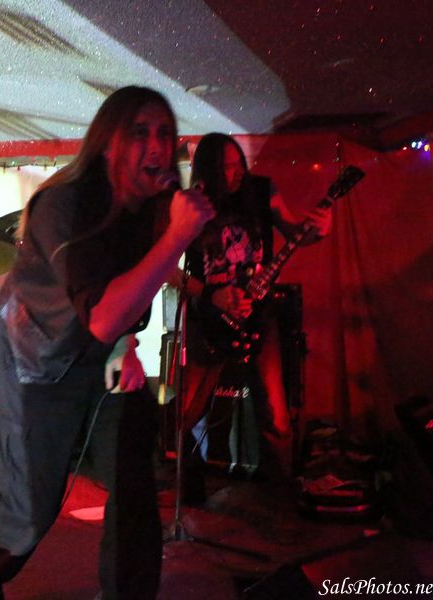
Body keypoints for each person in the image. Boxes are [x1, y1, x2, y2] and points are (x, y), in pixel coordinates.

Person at [0, 87, 214, 600]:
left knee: (134, 476)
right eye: (139, 132)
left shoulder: (148, 213)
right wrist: (176, 239)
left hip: (98, 353)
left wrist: (126, 345)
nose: (157, 146)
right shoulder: (65, 205)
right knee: (28, 514)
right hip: (37, 359)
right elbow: (99, 313)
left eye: (165, 133)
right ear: (107, 143)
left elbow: (125, 297)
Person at [170, 133, 332, 503]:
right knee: (186, 412)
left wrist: (320, 229)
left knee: (275, 414)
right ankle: (189, 489)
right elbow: (167, 269)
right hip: (208, 320)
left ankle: (281, 499)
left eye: (238, 163)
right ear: (207, 171)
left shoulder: (262, 191)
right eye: (226, 166)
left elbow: (297, 233)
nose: (237, 172)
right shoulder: (191, 204)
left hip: (259, 315)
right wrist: (211, 294)